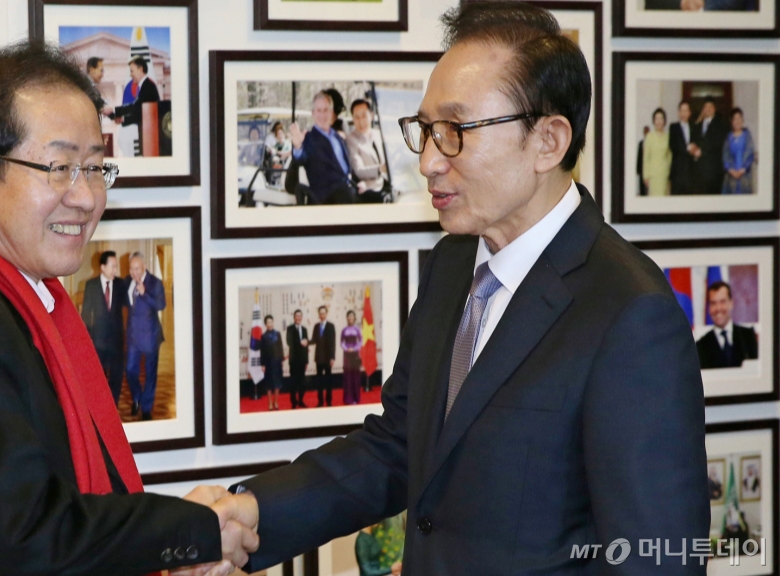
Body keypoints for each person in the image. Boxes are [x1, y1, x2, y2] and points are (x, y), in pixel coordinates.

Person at [194, 3, 709, 574]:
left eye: (457, 131)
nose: (431, 162)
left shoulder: (629, 313)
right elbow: (399, 446)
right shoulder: (453, 264)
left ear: (548, 141)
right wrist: (251, 512)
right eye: (427, 131)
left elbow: (659, 559)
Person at [0, 41, 257, 575]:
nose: (87, 197)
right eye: (60, 166)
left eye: (95, 168)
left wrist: (176, 541)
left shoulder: (16, 297)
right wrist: (191, 531)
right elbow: (26, 533)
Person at [288, 92, 356, 205]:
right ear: (313, 114)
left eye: (326, 110)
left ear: (331, 113)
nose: (322, 115)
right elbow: (301, 158)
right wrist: (298, 146)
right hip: (325, 195)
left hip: (347, 189)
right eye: (319, 111)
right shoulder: (310, 139)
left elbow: (347, 168)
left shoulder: (337, 137)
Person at [81, 250, 128, 404]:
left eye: (116, 266)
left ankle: (113, 408)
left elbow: (130, 307)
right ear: (102, 267)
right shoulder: (91, 285)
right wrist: (87, 342)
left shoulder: (121, 284)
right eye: (113, 266)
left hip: (117, 341)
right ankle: (101, 409)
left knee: (116, 377)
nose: (116, 270)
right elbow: (86, 314)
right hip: (98, 342)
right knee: (98, 380)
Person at [125, 251, 166, 421]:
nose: (134, 272)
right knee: (130, 370)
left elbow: (161, 304)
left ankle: (147, 408)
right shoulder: (128, 282)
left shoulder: (155, 283)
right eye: (131, 269)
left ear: (144, 267)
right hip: (133, 336)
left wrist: (144, 293)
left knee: (150, 373)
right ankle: (137, 397)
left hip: (150, 336)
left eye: (137, 268)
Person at [696, 280, 758, 369]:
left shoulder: (748, 336)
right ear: (709, 308)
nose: (718, 308)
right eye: (713, 303)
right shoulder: (701, 346)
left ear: (731, 303)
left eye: (722, 302)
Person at [346, 99, 389, 203]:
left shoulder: (379, 134)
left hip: (388, 184)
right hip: (370, 189)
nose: (361, 122)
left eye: (364, 116)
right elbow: (359, 170)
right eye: (357, 117)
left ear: (371, 115)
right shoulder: (351, 140)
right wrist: (380, 169)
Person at [692, 98, 729, 194]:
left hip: (714, 172)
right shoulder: (697, 125)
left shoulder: (721, 124)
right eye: (705, 107)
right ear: (703, 109)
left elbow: (718, 143)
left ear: (714, 109)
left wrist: (702, 152)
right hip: (699, 172)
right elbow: (694, 142)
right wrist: (693, 150)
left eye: (710, 106)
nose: (708, 109)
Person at [113, 56, 160, 127]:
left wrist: (114, 110)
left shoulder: (148, 86)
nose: (130, 74)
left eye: (132, 71)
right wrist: (123, 119)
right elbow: (141, 112)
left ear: (140, 69)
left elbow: (136, 107)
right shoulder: (145, 85)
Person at [723, 107, 756, 195]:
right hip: (731, 176)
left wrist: (742, 170)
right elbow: (725, 155)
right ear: (731, 121)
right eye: (735, 119)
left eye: (739, 118)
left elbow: (750, 154)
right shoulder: (728, 137)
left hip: (745, 175)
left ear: (742, 120)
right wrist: (731, 170)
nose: (737, 121)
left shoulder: (747, 135)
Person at [309, 305, 336, 407]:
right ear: (318, 315)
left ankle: (329, 401)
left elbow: (333, 342)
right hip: (319, 358)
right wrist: (307, 342)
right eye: (320, 313)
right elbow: (314, 340)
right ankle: (320, 401)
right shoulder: (316, 326)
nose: (322, 315)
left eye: (324, 313)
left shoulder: (331, 326)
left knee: (328, 381)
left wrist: (333, 357)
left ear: (326, 314)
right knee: (319, 381)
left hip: (328, 358)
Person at [669, 100, 697, 195]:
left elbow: (697, 144)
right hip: (678, 173)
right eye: (682, 110)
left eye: (686, 110)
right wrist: (687, 148)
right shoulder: (673, 127)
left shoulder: (694, 127)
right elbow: (673, 146)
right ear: (678, 113)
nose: (684, 113)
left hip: (691, 173)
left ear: (689, 113)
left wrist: (695, 150)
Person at [642, 108, 672, 196]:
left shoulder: (668, 136)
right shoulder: (649, 137)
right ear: (653, 121)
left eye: (661, 118)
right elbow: (646, 157)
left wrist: (669, 172)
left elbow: (669, 156)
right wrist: (646, 176)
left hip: (665, 174)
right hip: (653, 175)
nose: (659, 121)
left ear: (664, 121)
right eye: (656, 118)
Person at [285, 309, 310, 408]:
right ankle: (293, 402)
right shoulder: (290, 328)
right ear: (294, 317)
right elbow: (289, 342)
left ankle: (301, 400)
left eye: (300, 316)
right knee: (293, 382)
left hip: (302, 360)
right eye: (297, 316)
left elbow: (306, 346)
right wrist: (300, 342)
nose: (298, 318)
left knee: (302, 382)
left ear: (302, 317)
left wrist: (307, 361)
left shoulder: (304, 329)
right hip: (293, 360)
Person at [260, 315, 284, 411]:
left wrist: (281, 360)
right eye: (268, 322)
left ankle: (276, 401)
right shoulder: (263, 336)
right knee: (269, 384)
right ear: (265, 324)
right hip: (268, 363)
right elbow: (262, 351)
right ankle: (270, 402)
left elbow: (280, 347)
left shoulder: (278, 334)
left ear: (273, 322)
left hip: (277, 362)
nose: (270, 324)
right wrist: (262, 364)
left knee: (277, 383)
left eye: (271, 322)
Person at [340, 310, 363, 405]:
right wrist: (346, 349)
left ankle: (355, 398)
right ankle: (348, 399)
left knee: (355, 376)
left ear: (354, 318)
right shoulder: (344, 330)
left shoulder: (357, 329)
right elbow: (341, 342)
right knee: (347, 376)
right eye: (348, 317)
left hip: (355, 355)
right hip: (347, 355)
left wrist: (354, 349)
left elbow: (360, 341)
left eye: (352, 317)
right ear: (347, 318)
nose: (350, 318)